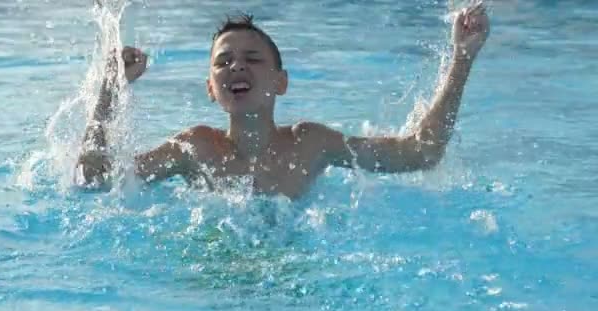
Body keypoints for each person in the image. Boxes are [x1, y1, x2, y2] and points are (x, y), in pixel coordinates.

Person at [76, 2, 490, 199]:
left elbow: (421, 152)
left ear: (281, 82)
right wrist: (111, 87)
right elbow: (92, 179)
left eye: (252, 59)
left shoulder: (311, 144)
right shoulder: (195, 148)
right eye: (223, 62)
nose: (237, 67)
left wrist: (462, 59)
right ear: (210, 88)